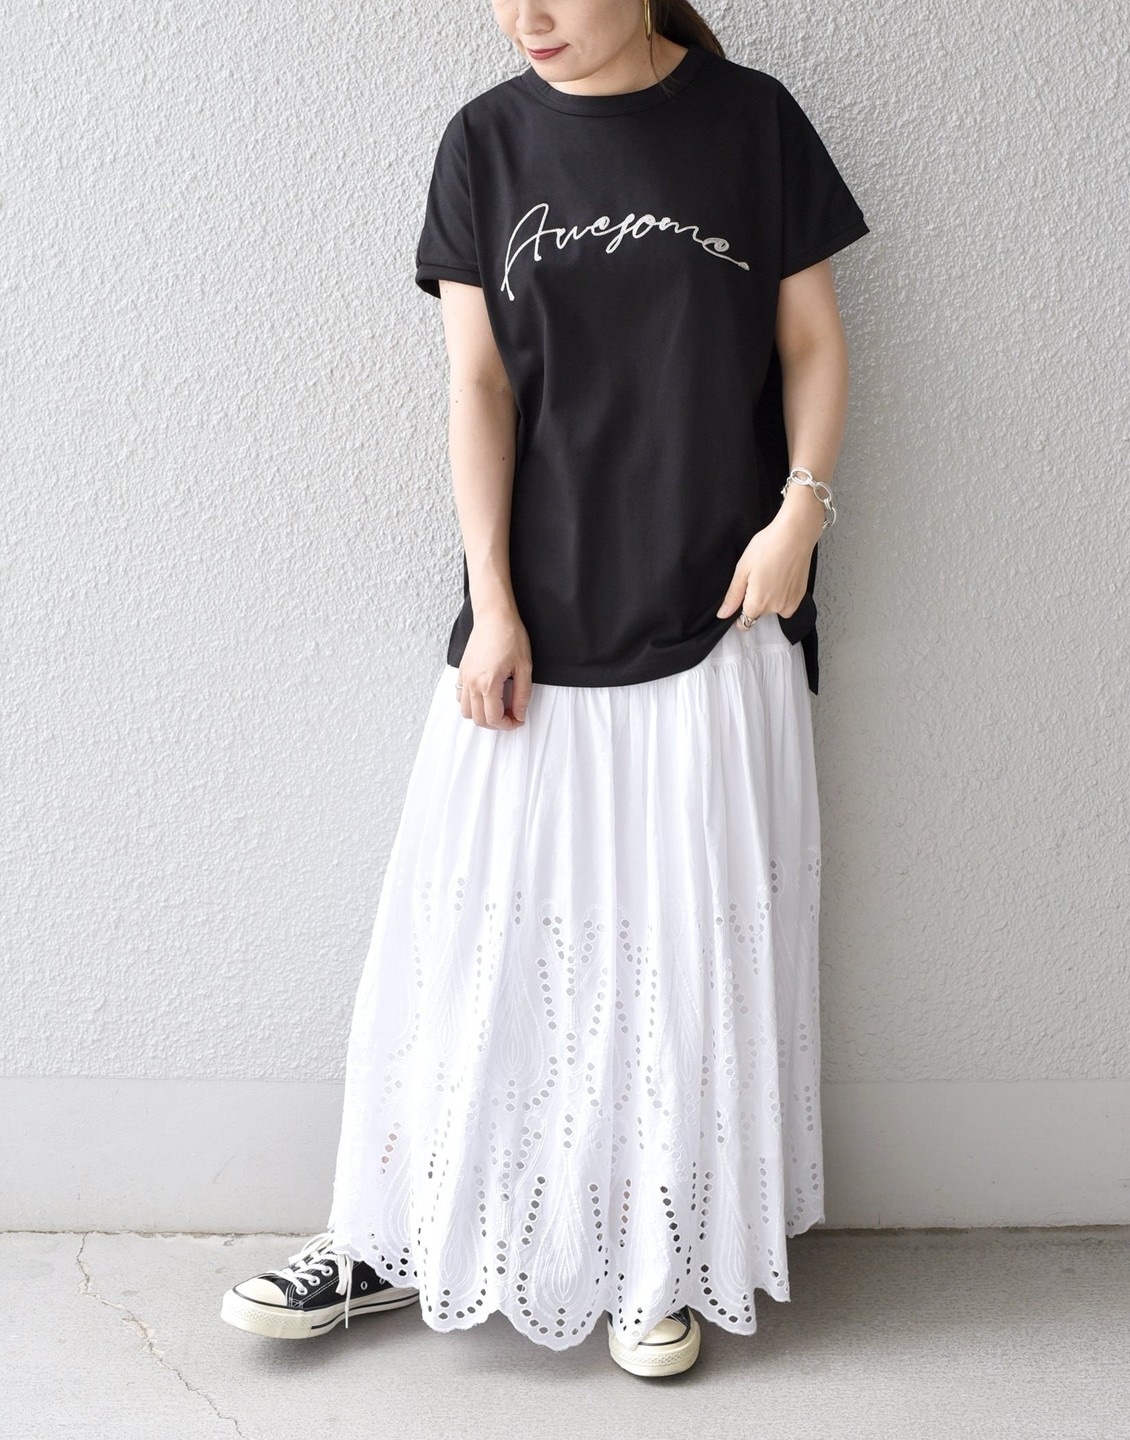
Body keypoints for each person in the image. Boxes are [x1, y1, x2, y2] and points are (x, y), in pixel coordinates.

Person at [221, 0, 869, 1379]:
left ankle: (655, 1259)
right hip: (532, 621)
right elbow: (478, 387)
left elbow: (812, 342)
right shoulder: (485, 143)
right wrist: (494, 603)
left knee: (680, 954)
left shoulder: (751, 124)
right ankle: (393, 1234)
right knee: (466, 943)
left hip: (717, 613)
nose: (527, 19)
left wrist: (800, 516)